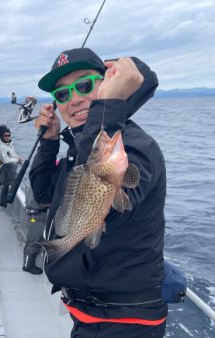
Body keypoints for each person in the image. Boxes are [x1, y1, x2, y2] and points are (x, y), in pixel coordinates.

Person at [29, 47, 167, 337]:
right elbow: (43, 194)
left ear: (109, 84)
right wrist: (50, 143)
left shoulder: (132, 145)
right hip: (89, 313)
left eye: (84, 85)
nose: (75, 99)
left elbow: (115, 212)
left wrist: (109, 106)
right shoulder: (79, 150)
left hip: (126, 321)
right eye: (62, 94)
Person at [22, 186, 48, 275]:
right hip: (36, 215)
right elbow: (41, 201)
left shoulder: (36, 181)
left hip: (37, 214)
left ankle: (28, 263)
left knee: (34, 240)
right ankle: (27, 266)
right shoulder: (40, 185)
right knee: (34, 241)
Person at [0, 127, 22, 207]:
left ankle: (3, 201)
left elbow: (13, 154)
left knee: (7, 182)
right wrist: (17, 160)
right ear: (2, 136)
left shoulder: (9, 144)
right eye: (5, 136)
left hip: (9, 165)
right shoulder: (1, 146)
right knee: (11, 174)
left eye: (8, 135)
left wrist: (18, 158)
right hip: (3, 166)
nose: (7, 137)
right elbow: (5, 160)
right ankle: (11, 180)